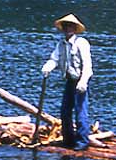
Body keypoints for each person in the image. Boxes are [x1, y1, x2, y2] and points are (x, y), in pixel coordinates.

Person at [40, 13, 95, 150]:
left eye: (70, 26)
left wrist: (83, 82)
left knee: (80, 112)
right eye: (65, 26)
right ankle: (68, 140)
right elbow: (55, 59)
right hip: (69, 81)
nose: (67, 28)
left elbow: (87, 66)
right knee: (65, 111)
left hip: (80, 82)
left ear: (75, 28)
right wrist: (48, 67)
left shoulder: (81, 43)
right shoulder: (61, 44)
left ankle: (82, 142)